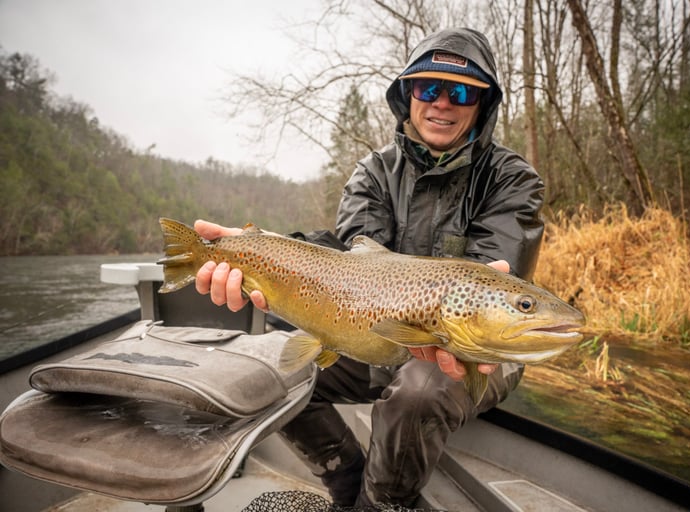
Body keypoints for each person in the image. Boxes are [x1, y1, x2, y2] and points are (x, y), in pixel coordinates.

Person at [194, 27, 544, 508]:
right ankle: (348, 485)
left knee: (420, 387)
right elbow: (352, 259)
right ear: (408, 95)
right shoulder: (374, 171)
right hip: (373, 329)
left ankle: (384, 503)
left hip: (470, 343)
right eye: (429, 88)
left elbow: (492, 290)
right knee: (268, 375)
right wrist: (259, 251)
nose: (443, 103)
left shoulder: (511, 179)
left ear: (482, 104)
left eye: (461, 91)